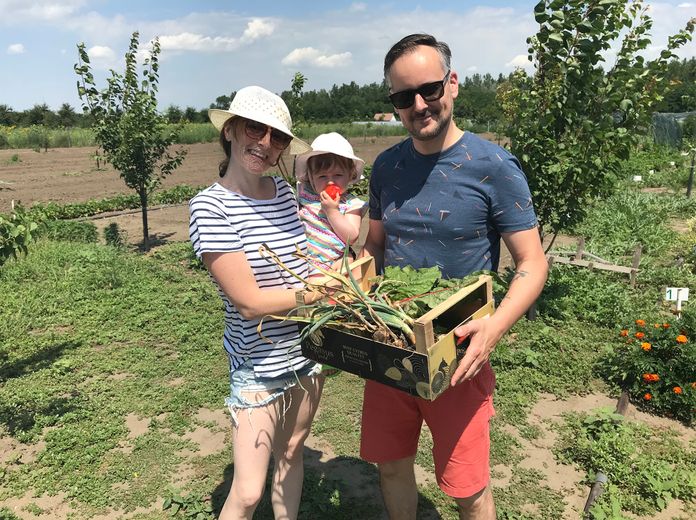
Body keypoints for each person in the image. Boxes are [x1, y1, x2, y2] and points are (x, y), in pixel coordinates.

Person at [360, 34, 549, 519]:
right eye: (404, 97)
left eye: (429, 89)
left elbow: (532, 262)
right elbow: (376, 243)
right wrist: (355, 285)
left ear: (453, 84)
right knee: (392, 466)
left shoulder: (494, 167)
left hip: (459, 351)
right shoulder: (386, 167)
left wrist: (495, 326)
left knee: (467, 487)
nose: (419, 105)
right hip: (391, 340)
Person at [188, 85, 324, 520]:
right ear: (230, 130)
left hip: (305, 353)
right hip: (257, 366)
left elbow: (300, 266)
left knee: (291, 453)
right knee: (247, 492)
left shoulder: (284, 195)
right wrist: (320, 294)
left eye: (277, 137)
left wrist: (332, 276)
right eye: (254, 129)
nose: (265, 144)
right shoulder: (210, 207)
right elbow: (248, 302)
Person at [294, 132, 367, 274]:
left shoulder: (351, 204)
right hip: (302, 262)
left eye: (338, 175)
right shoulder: (304, 195)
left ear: (351, 174)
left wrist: (332, 212)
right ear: (310, 177)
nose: (330, 182)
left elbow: (351, 237)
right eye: (322, 176)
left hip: (332, 265)